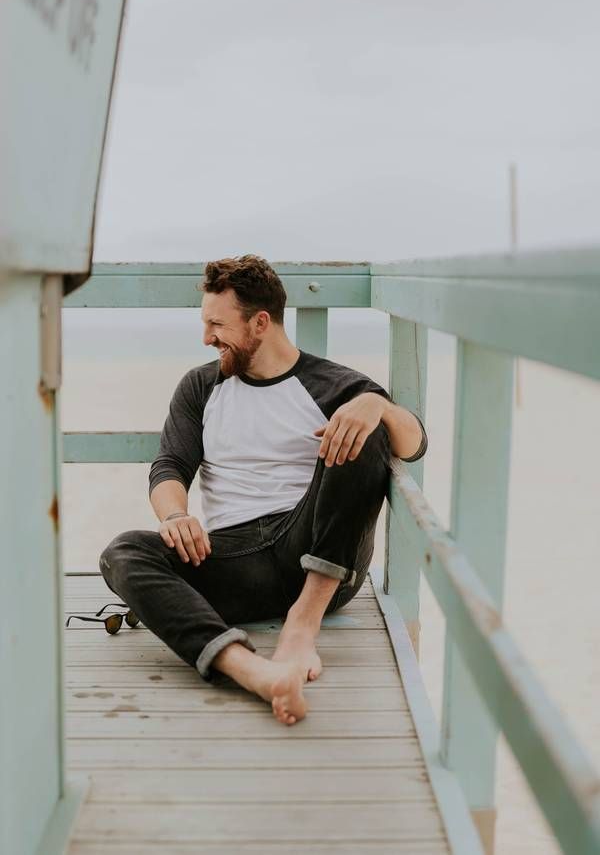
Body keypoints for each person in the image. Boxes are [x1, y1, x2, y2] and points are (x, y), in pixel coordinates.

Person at [99, 255, 427, 725]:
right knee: (123, 552)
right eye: (204, 322)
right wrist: (175, 517)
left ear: (260, 322)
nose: (206, 337)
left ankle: (301, 626)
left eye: (216, 324)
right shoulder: (200, 387)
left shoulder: (335, 385)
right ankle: (252, 671)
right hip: (234, 559)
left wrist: (376, 404)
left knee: (366, 427)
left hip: (318, 550)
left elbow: (413, 445)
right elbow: (170, 465)